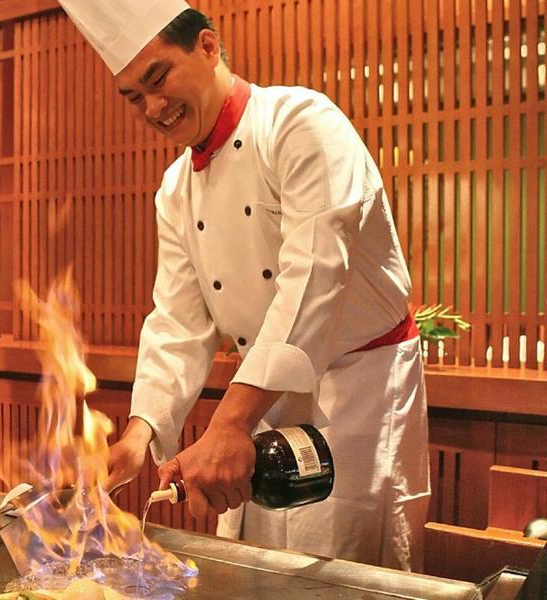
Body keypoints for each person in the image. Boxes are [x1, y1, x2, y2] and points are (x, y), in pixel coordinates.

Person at [58, 0, 430, 571]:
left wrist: (230, 421)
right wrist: (139, 436)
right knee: (255, 566)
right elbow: (178, 322)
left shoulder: (302, 122)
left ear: (208, 47)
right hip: (261, 396)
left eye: (158, 78)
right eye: (133, 96)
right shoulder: (175, 187)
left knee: (341, 572)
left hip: (357, 395)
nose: (153, 107)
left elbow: (313, 278)